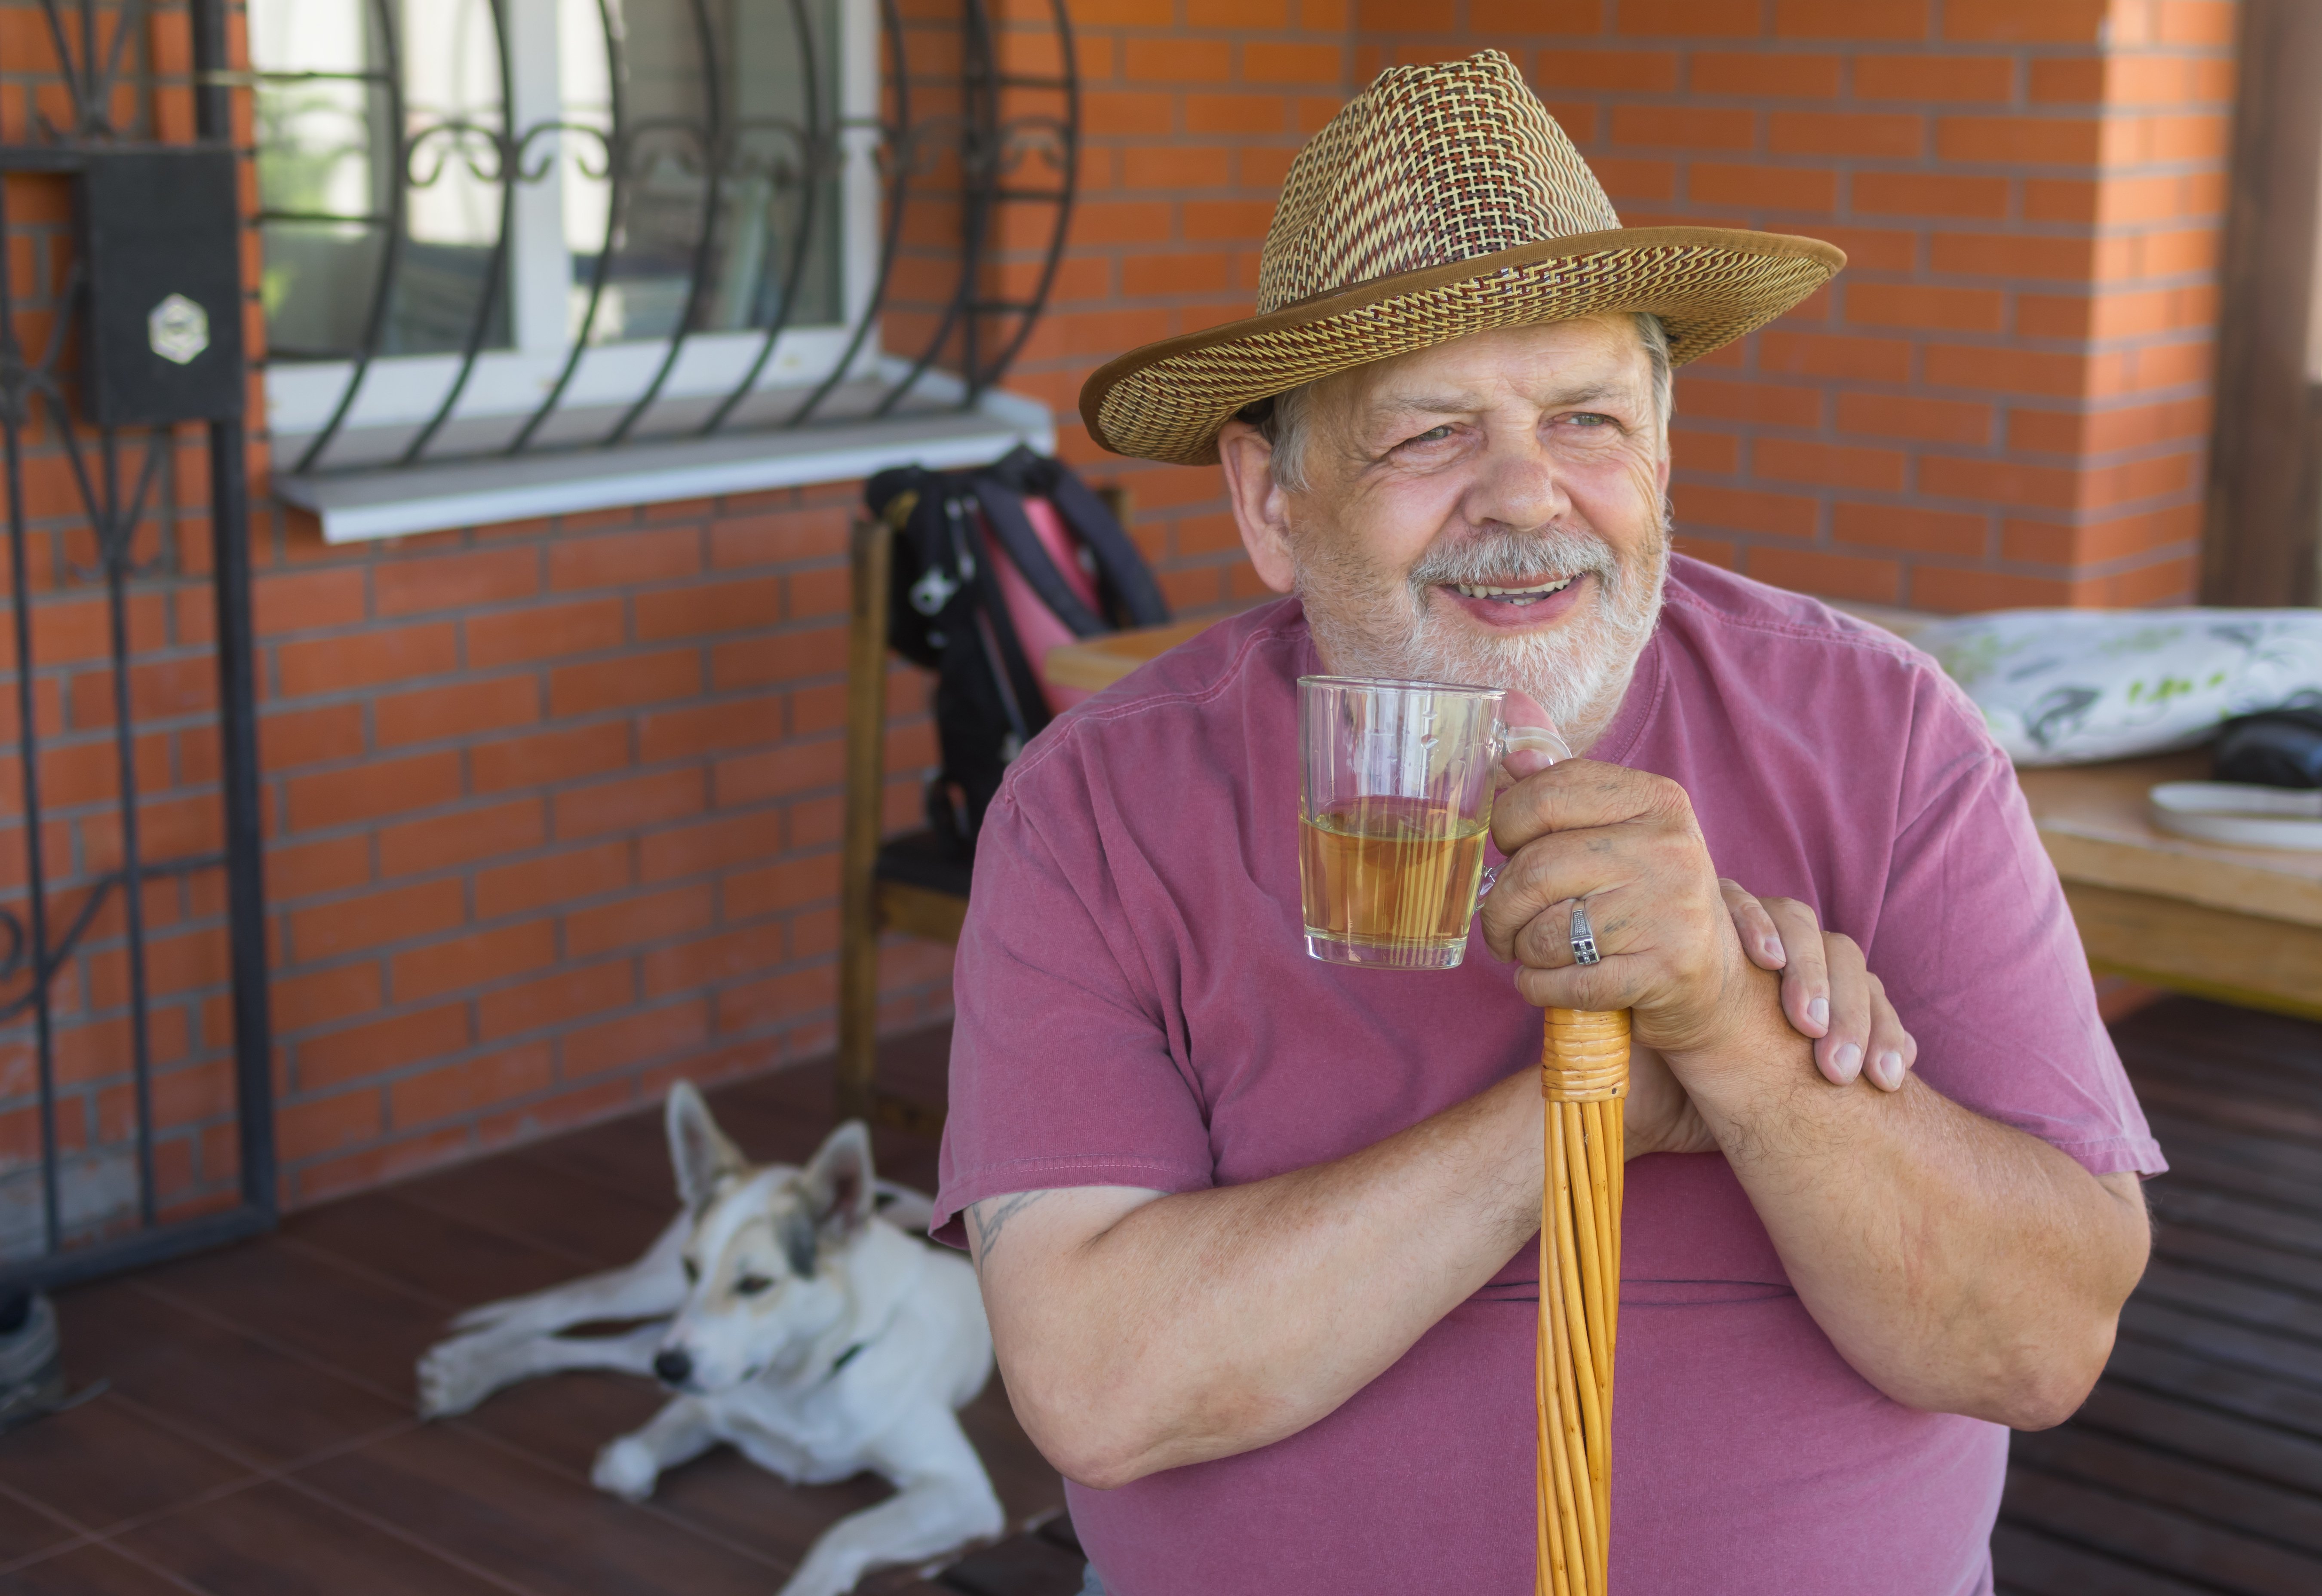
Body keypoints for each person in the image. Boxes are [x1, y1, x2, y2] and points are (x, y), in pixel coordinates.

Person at [931, 51, 2159, 1596]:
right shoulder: (1096, 807)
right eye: (1430, 433)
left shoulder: (1889, 737)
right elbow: (1102, 1388)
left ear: (1662, 445)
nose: (1527, 497)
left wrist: (1734, 1032)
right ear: (1270, 502)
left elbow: (2041, 1346)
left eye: (1586, 418)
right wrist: (1596, 1097)